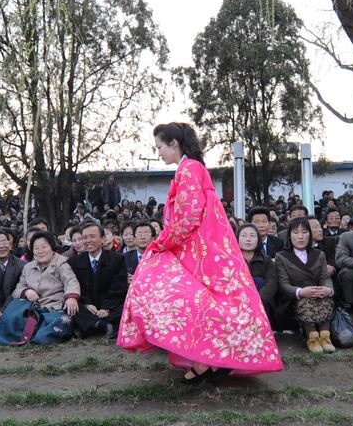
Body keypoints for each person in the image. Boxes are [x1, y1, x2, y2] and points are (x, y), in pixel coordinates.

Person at [118, 122, 281, 382]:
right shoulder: (191, 168)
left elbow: (188, 216)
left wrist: (162, 242)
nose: (158, 152)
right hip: (200, 246)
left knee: (179, 294)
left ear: (173, 144)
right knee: (205, 301)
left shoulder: (189, 169)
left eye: (159, 146)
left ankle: (207, 359)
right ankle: (209, 358)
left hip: (196, 249)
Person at [273, 218, 336, 353]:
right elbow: (283, 284)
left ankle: (325, 336)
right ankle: (312, 337)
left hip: (317, 293)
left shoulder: (319, 254)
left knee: (324, 298)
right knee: (306, 301)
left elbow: (325, 277)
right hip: (294, 298)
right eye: (296, 232)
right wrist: (301, 292)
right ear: (289, 235)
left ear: (309, 234)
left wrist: (328, 289)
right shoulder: (281, 256)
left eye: (304, 232)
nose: (300, 236)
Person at [68, 221, 128, 339]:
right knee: (71, 304)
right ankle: (102, 325)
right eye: (84, 237)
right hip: (88, 306)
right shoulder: (75, 261)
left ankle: (91, 325)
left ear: (103, 238)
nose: (88, 240)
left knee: (126, 306)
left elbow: (118, 288)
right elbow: (77, 286)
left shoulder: (117, 259)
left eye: (92, 236)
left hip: (111, 305)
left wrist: (107, 308)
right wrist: (87, 303)